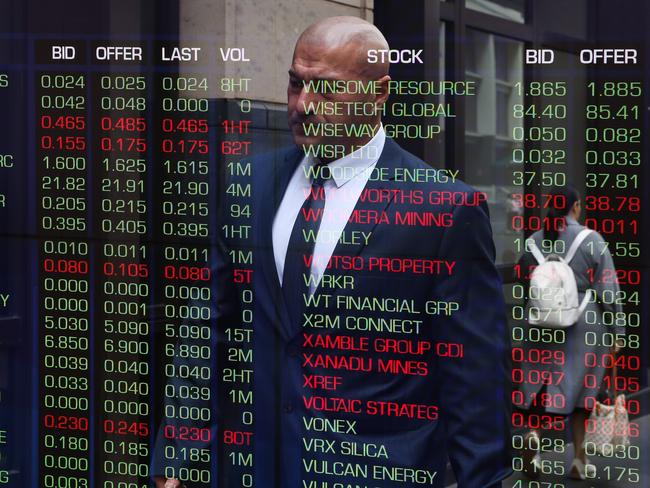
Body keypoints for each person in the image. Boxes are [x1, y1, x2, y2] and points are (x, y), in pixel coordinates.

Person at [154, 16, 512, 487]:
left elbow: (473, 381)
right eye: (295, 83)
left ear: (379, 93)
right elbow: (209, 326)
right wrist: (176, 458)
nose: (304, 104)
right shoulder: (252, 183)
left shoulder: (445, 209)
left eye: (326, 89)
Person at [515, 185, 624, 480]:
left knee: (540, 386)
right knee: (582, 390)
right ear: (575, 207)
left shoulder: (534, 242)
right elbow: (608, 290)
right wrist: (618, 332)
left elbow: (525, 285)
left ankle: (534, 437)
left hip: (540, 325)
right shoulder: (592, 240)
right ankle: (578, 458)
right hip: (583, 325)